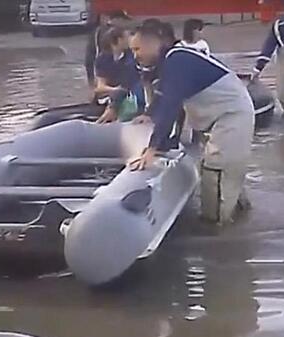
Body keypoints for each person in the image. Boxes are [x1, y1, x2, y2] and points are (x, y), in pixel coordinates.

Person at [128, 25, 255, 224]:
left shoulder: (177, 61)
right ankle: (239, 219)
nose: (135, 56)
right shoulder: (171, 63)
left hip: (231, 116)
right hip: (218, 120)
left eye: (137, 49)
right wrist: (150, 117)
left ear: (152, 45)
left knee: (216, 171)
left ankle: (216, 232)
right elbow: (167, 101)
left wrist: (151, 148)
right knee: (222, 175)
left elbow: (171, 105)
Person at [95, 27, 145, 123]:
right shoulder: (103, 59)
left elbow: (132, 79)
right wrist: (115, 90)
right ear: (119, 40)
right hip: (111, 94)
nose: (130, 40)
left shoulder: (130, 56)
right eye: (127, 37)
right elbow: (100, 87)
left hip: (128, 93)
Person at [85, 10, 132, 88]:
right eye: (123, 20)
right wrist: (91, 79)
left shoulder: (99, 31)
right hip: (102, 70)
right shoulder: (101, 32)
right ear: (117, 19)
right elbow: (90, 56)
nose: (125, 23)